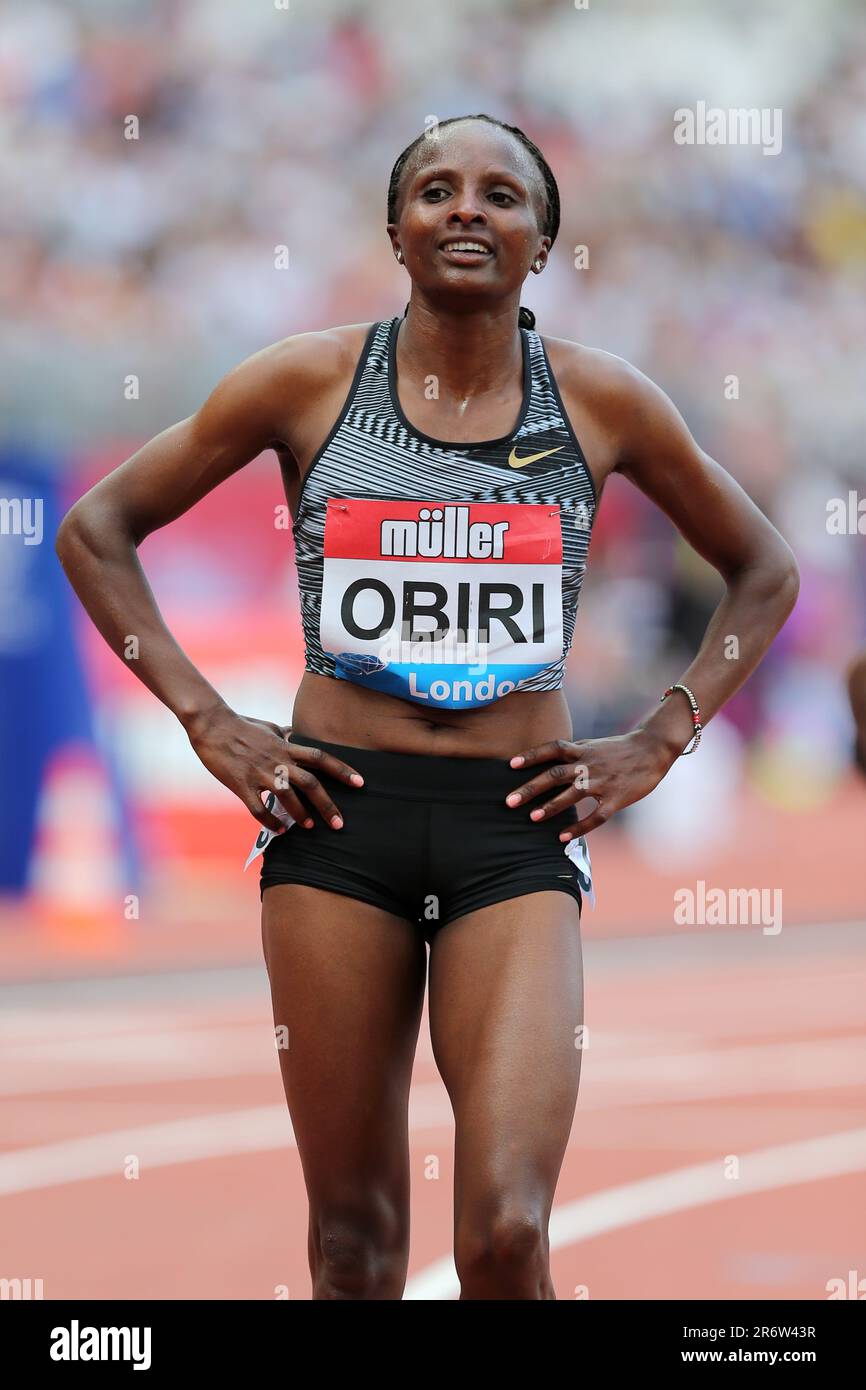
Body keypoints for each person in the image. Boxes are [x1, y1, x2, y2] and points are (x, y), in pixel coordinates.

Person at [55, 113, 800, 1300]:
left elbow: (762, 569)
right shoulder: (307, 381)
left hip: (513, 825)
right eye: (435, 190)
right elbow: (97, 529)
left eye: (500, 195)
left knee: (504, 1228)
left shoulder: (603, 403)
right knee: (353, 1244)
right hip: (335, 825)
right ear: (394, 229)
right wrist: (210, 719)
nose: (465, 209)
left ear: (541, 240)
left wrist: (661, 735)